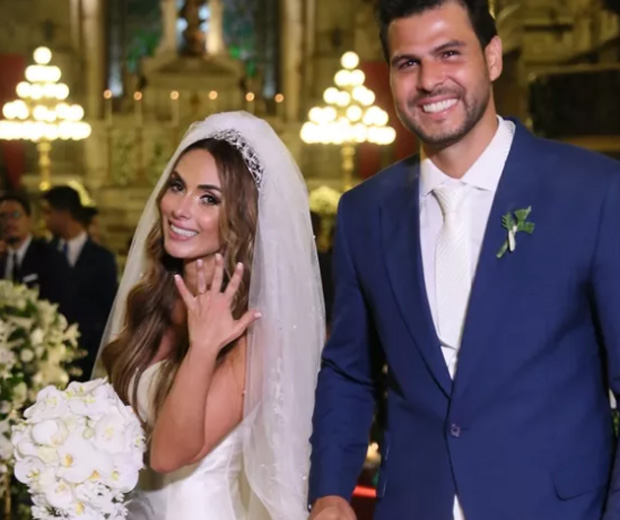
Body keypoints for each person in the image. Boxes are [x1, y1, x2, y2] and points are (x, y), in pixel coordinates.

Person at [308, 1, 620, 519]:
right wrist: (332, 492)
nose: (430, 80)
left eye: (449, 53)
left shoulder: (592, 192)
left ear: (492, 57)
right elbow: (349, 370)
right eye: (408, 62)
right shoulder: (364, 212)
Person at [96, 111, 325, 519]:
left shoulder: (255, 330)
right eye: (177, 186)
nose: (180, 209)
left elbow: (168, 455)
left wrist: (202, 347)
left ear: (243, 216)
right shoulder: (152, 298)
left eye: (209, 199)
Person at [41, 186, 118, 381]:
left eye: (48, 212)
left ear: (65, 214)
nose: (44, 219)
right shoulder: (43, 252)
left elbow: (108, 307)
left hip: (88, 354)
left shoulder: (102, 257)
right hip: (47, 354)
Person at [0, 192, 69, 305]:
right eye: (3, 216)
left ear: (29, 219)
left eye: (16, 215)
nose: (9, 222)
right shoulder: (2, 258)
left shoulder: (50, 257)